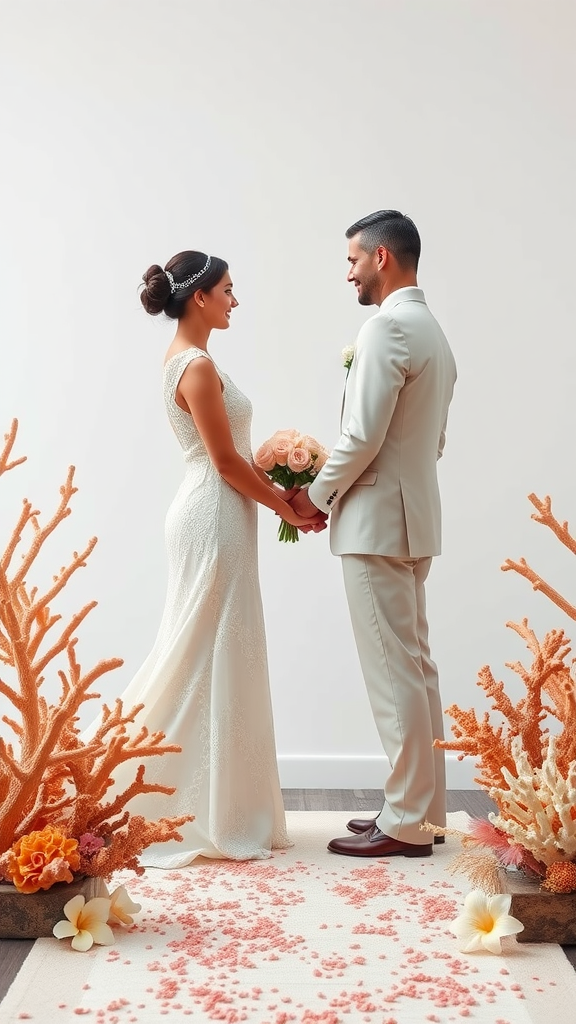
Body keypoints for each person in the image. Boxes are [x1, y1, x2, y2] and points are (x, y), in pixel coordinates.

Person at [88, 250, 325, 866]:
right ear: (199, 298)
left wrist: (276, 494)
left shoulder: (191, 360)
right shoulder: (194, 366)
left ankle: (216, 803)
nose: (234, 301)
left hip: (221, 512)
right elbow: (224, 461)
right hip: (213, 512)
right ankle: (110, 784)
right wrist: (285, 505)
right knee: (195, 652)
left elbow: (232, 459)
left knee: (215, 652)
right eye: (227, 290)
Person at [290, 211, 457, 858]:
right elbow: (432, 440)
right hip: (413, 519)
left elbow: (362, 437)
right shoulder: (433, 332)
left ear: (383, 257)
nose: (350, 272)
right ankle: (419, 809)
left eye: (354, 260)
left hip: (376, 526)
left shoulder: (386, 326)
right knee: (415, 670)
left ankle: (409, 821)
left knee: (395, 676)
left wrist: (316, 494)